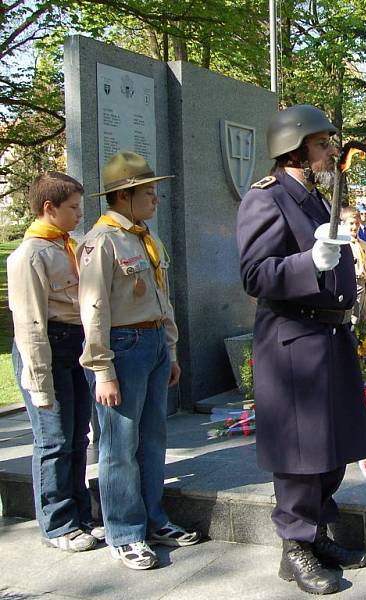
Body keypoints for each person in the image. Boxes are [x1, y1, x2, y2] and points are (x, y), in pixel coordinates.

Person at [237, 105, 366, 595]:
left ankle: (315, 534)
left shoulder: (315, 198)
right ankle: (294, 548)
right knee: (300, 455)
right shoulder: (267, 199)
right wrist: (307, 262)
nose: (332, 151)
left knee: (331, 448)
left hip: (329, 335)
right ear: (293, 148)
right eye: (322, 143)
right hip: (292, 339)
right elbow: (255, 275)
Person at [78, 152, 200, 570]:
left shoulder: (147, 236)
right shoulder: (102, 241)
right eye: (149, 193)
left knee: (152, 438)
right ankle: (125, 533)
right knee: (118, 444)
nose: (156, 199)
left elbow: (161, 298)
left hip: (152, 344)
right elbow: (93, 308)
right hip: (122, 346)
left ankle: (153, 518)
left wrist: (171, 350)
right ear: (124, 196)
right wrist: (102, 371)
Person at [7, 172, 103, 553]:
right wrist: (38, 381)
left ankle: (80, 513)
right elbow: (29, 323)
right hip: (47, 348)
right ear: (49, 208)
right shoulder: (30, 255)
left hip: (73, 346)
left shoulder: (66, 246)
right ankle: (58, 524)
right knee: (54, 439)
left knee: (78, 436)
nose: (80, 214)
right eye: (73, 208)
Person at [342, 206, 366, 327]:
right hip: (351, 284)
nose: (354, 227)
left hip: (365, 284)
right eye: (351, 223)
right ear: (343, 224)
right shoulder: (342, 246)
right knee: (352, 322)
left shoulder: (365, 246)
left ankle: (363, 345)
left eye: (357, 223)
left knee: (363, 322)